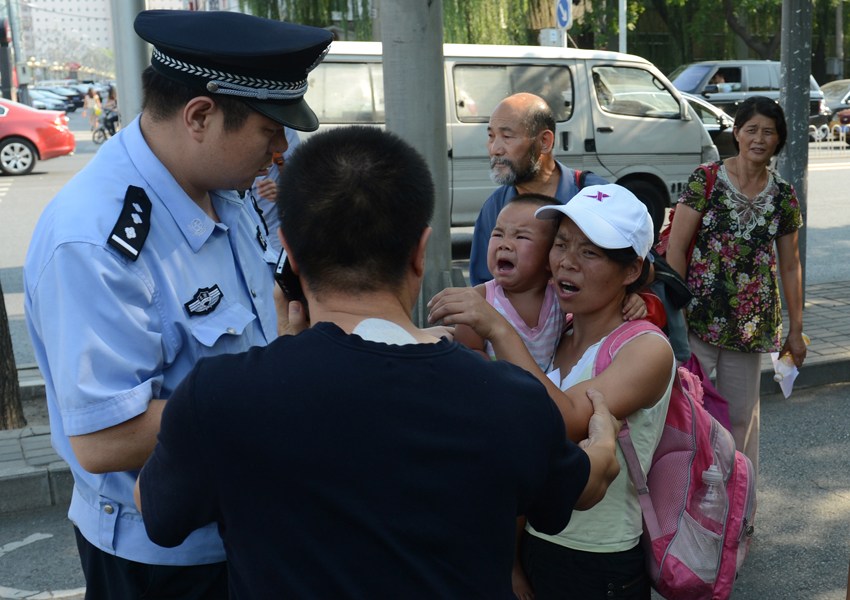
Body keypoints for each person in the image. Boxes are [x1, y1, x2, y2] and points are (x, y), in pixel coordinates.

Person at [134, 125, 622, 599]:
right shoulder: (509, 400)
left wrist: (280, 355)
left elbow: (156, 512)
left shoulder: (221, 396)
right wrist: (601, 436)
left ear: (292, 255)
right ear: (420, 253)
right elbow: (585, 484)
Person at [23, 10, 333, 599]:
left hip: (246, 527)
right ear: (200, 116)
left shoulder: (219, 186)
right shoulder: (97, 240)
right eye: (270, 131)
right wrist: (275, 394)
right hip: (164, 557)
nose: (279, 153)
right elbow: (104, 440)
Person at [429, 184, 675, 599]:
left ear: (632, 270)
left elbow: (565, 421)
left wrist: (497, 328)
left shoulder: (646, 349)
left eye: (589, 252)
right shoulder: (558, 329)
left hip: (596, 562)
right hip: (531, 541)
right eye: (560, 244)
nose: (566, 262)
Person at [665, 95, 806, 478]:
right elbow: (676, 248)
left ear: (779, 139)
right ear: (737, 133)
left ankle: (738, 498)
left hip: (750, 326)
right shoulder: (706, 179)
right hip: (696, 319)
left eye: (769, 132)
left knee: (741, 419)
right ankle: (684, 494)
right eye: (752, 130)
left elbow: (790, 265)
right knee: (686, 410)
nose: (759, 139)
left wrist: (796, 329)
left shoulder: (783, 196)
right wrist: (676, 312)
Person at [456, 192, 648, 371]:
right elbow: (466, 354)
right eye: (498, 234)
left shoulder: (557, 296)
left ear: (547, 257)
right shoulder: (480, 301)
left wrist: (630, 300)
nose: (504, 244)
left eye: (521, 236)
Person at [468, 92, 608, 285]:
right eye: (491, 136)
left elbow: (642, 268)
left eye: (507, 136)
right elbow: (484, 287)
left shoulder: (595, 196)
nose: (495, 149)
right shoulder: (494, 207)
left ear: (544, 142)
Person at [249, 127, 301, 254]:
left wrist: (282, 193)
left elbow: (302, 184)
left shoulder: (285, 129)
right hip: (245, 235)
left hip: (276, 234)